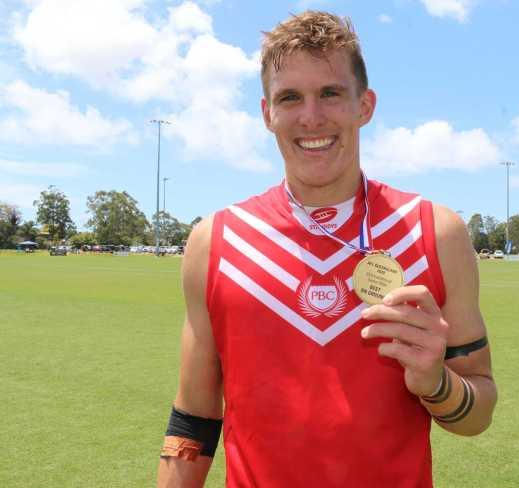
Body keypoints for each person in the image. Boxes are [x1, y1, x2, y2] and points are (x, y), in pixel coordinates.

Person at [157, 11, 497, 487]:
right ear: (266, 114)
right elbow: (193, 417)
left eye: (331, 93)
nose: (311, 116)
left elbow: (478, 410)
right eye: (290, 97)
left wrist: (436, 383)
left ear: (365, 105)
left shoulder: (435, 232)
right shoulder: (215, 240)